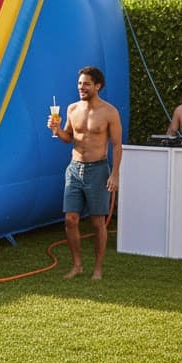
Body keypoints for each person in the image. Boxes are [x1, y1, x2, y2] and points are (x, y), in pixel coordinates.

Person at [48, 66, 123, 280]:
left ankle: (97, 269)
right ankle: (77, 265)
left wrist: (115, 174)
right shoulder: (72, 109)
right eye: (80, 83)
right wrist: (57, 130)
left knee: (98, 221)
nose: (81, 87)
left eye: (86, 84)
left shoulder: (110, 112)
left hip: (98, 169)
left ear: (97, 86)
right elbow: (68, 138)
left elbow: (117, 145)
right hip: (74, 168)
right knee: (71, 219)